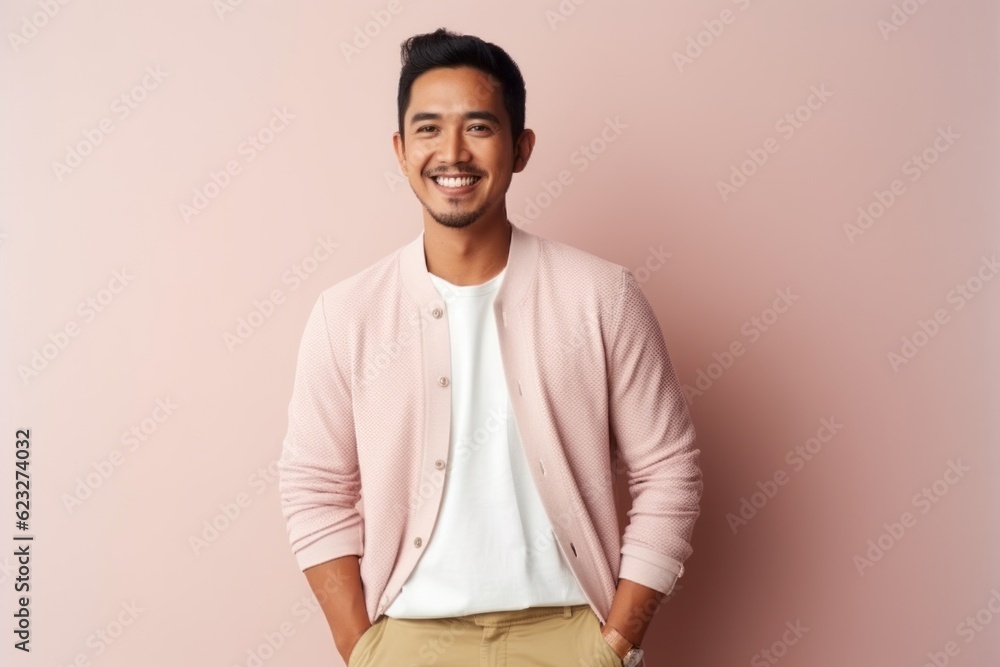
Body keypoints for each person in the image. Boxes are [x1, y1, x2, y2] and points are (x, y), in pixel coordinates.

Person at [277, 27, 703, 667]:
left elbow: (670, 469)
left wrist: (616, 642)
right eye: (427, 129)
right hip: (407, 640)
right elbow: (313, 484)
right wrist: (360, 647)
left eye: (479, 127)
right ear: (399, 149)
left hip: (570, 637)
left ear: (521, 147)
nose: (452, 152)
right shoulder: (347, 314)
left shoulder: (601, 295)